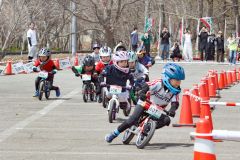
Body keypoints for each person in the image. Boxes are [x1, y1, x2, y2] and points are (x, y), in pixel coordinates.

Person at [105, 63, 185, 143]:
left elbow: (175, 103)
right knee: (132, 120)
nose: (178, 83)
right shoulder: (158, 83)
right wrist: (142, 93)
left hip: (156, 110)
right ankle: (114, 133)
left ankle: (147, 129)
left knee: (166, 120)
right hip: (145, 104)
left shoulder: (175, 92)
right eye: (176, 80)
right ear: (167, 78)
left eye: (179, 81)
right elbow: (147, 85)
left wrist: (172, 110)